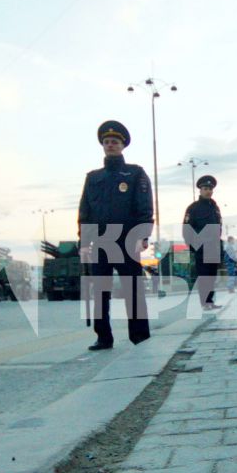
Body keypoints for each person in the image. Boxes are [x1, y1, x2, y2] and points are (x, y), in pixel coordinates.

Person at [77, 120, 153, 350]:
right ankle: (103, 337)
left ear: (122, 146)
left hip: (127, 240)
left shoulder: (135, 173)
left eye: (115, 142)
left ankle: (139, 335)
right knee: (100, 291)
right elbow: (85, 211)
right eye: (107, 142)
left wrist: (143, 236)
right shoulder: (93, 177)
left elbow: (145, 208)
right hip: (100, 241)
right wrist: (84, 242)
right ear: (103, 145)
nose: (111, 145)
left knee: (133, 289)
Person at [183, 175, 223, 307]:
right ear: (200, 190)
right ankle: (205, 302)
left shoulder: (215, 207)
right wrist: (194, 246)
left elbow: (219, 226)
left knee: (212, 276)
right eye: (205, 188)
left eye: (210, 189)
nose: (208, 191)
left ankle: (210, 301)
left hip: (214, 247)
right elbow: (187, 229)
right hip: (201, 247)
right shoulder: (193, 208)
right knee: (204, 276)